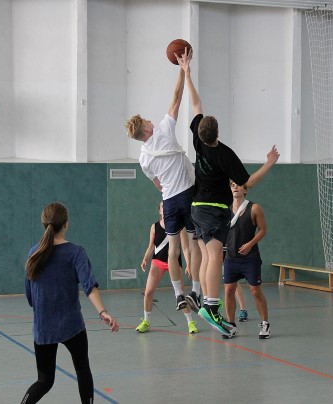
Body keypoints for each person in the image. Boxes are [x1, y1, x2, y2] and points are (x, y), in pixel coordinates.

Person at [179, 51, 280, 336]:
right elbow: (248, 182)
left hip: (196, 207)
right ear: (217, 132)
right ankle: (210, 305)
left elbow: (195, 103)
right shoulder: (224, 154)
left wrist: (186, 73)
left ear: (200, 132)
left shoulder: (197, 143)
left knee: (205, 254)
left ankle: (202, 298)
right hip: (214, 209)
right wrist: (269, 163)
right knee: (215, 256)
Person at [125, 46, 201, 313]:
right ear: (147, 129)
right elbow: (177, 97)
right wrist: (183, 70)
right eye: (147, 120)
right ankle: (196, 292)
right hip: (187, 193)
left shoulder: (143, 158)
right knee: (193, 244)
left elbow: (157, 184)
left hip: (168, 201)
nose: (151, 120)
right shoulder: (165, 130)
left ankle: (179, 295)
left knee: (173, 249)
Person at [22, 203, 119, 403]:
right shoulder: (76, 253)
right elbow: (89, 285)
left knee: (44, 380)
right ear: (66, 224)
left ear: (44, 223)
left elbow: (30, 295)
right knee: (83, 370)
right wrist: (102, 312)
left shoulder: (34, 252)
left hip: (43, 328)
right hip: (71, 325)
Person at [136, 201, 198, 334]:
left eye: (166, 207)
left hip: (174, 263)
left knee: (180, 294)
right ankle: (146, 321)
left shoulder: (180, 227)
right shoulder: (154, 226)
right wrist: (145, 259)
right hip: (157, 262)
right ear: (159, 211)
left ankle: (190, 322)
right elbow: (151, 246)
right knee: (148, 292)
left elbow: (185, 248)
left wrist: (188, 264)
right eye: (162, 208)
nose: (164, 209)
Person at [223, 181, 270, 339]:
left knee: (255, 291)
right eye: (232, 185)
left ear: (245, 190)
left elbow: (263, 230)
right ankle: (231, 325)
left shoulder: (254, 208)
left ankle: (265, 324)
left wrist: (250, 244)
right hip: (230, 259)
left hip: (250, 258)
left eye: (238, 185)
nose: (235, 187)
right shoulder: (225, 209)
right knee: (229, 290)